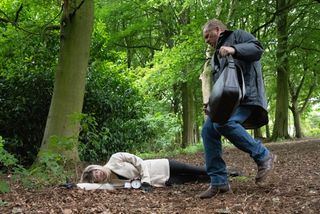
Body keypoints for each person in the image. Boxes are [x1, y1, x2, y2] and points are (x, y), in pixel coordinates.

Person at [199, 19, 277, 199]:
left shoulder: (238, 35)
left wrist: (234, 49)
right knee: (208, 131)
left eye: (207, 36)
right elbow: (224, 84)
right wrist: (212, 105)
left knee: (222, 123)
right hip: (228, 103)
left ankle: (263, 156)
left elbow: (258, 49)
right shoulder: (216, 56)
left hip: (247, 98)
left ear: (218, 30)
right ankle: (219, 182)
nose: (206, 41)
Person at [80, 152, 241, 192]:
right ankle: (223, 180)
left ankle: (227, 172)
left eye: (96, 172)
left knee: (198, 170)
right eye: (96, 178)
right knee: (196, 180)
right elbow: (93, 188)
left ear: (97, 167)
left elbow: (139, 161)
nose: (98, 175)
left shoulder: (115, 158)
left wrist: (145, 181)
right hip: (163, 181)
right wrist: (76, 185)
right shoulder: (110, 184)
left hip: (162, 165)